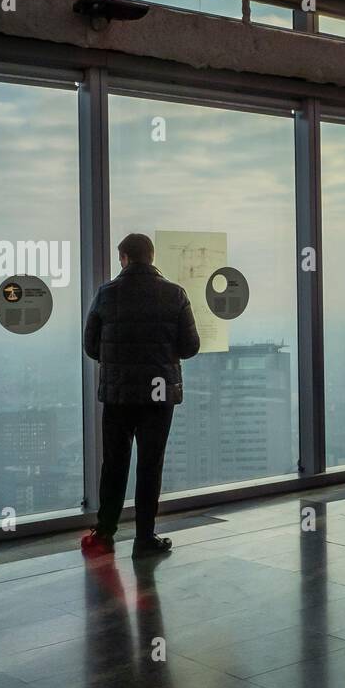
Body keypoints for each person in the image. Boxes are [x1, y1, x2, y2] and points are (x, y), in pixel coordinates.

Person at [81, 233, 200, 558]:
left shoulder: (106, 294)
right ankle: (144, 539)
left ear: (124, 257)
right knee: (150, 465)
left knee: (115, 464)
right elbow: (191, 346)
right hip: (158, 396)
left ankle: (105, 534)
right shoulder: (175, 294)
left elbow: (91, 346)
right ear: (151, 256)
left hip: (118, 396)